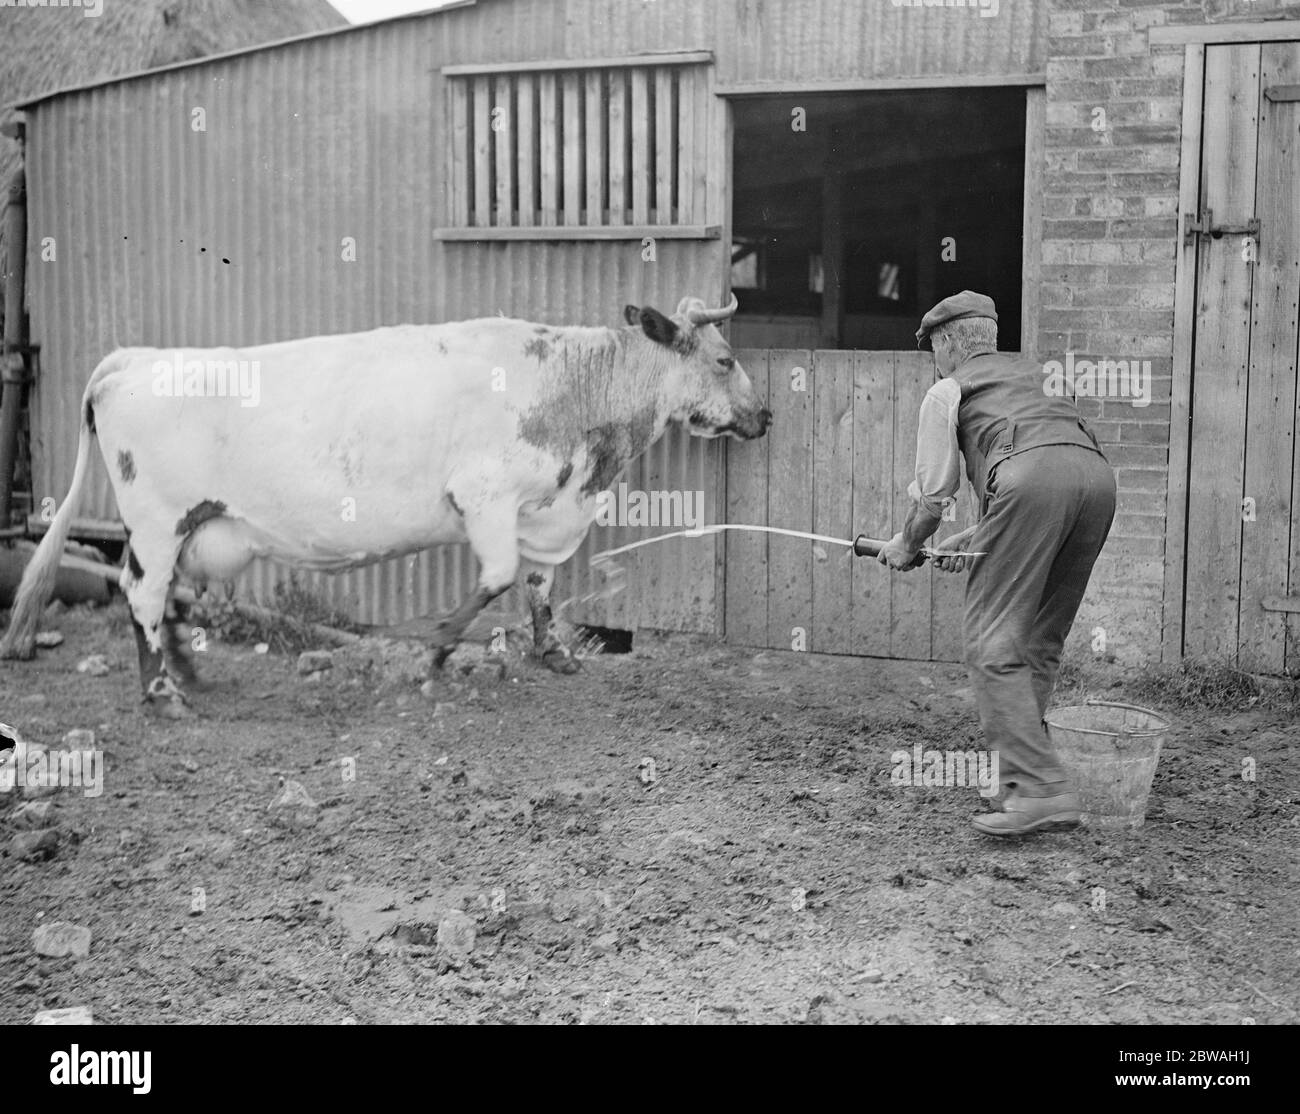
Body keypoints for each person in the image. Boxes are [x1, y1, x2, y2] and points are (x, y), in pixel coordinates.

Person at [877, 291, 1117, 836]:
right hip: (1098, 484)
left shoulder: (947, 390)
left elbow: (934, 499)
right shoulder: (1035, 375)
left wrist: (906, 545)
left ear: (945, 344)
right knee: (1038, 640)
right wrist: (983, 535)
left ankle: (1039, 790)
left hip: (1032, 488)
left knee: (992, 644)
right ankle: (1024, 777)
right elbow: (1052, 459)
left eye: (932, 349)